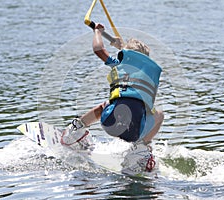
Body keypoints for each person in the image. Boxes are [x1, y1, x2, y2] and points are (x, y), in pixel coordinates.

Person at [62, 23, 164, 175]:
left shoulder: (118, 66)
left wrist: (97, 32)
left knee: (107, 104)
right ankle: (140, 149)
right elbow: (134, 59)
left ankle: (76, 129)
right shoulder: (148, 75)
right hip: (135, 131)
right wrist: (121, 46)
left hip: (109, 121)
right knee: (158, 115)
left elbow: (98, 49)